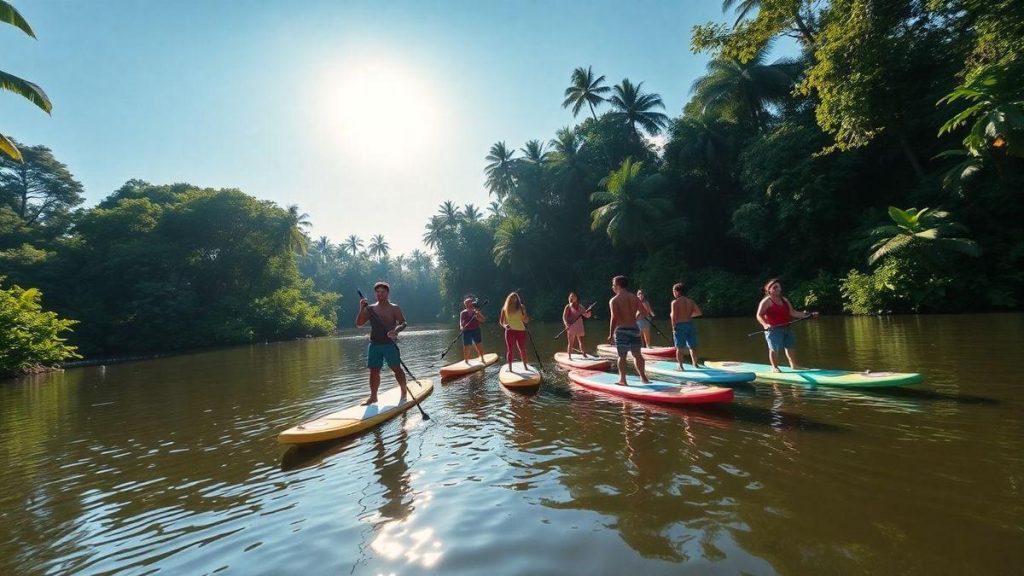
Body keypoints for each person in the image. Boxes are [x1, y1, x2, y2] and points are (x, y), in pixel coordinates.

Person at [356, 281, 409, 404]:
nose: (380, 294)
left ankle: (404, 392)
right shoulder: (370, 308)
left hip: (389, 344)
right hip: (374, 344)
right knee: (374, 371)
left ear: (387, 293)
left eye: (382, 292)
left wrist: (396, 330)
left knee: (396, 369)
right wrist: (361, 308)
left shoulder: (394, 308)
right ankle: (373, 396)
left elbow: (403, 323)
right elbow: (359, 324)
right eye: (377, 292)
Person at [755, 278, 818, 372]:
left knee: (790, 346)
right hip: (773, 329)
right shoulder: (766, 301)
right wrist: (765, 325)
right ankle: (774, 367)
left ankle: (794, 366)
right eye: (774, 287)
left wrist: (809, 315)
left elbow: (793, 313)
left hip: (787, 327)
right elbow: (758, 315)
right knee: (774, 349)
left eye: (778, 287)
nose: (777, 289)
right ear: (769, 290)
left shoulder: (784, 300)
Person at [607, 275, 651, 385]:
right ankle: (644, 378)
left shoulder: (614, 300)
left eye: (613, 285)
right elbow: (644, 312)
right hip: (635, 328)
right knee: (637, 354)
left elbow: (614, 318)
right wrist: (635, 317)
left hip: (621, 330)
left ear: (617, 285)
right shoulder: (634, 297)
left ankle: (623, 380)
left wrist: (610, 334)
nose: (612, 287)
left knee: (622, 356)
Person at [670, 282, 703, 370]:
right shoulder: (690, 301)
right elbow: (699, 313)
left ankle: (680, 366)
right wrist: (688, 315)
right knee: (693, 347)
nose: (673, 293)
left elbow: (673, 316)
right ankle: (695, 364)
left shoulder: (675, 302)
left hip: (680, 326)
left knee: (680, 348)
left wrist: (673, 328)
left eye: (673, 291)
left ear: (677, 291)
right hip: (690, 325)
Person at [499, 292, 529, 371]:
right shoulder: (505, 308)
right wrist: (505, 326)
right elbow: (501, 322)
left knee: (522, 349)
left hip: (521, 331)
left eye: (515, 298)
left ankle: (525, 366)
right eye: (512, 298)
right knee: (510, 350)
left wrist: (525, 313)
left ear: (517, 299)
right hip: (510, 331)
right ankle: (510, 368)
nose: (513, 299)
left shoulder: (521, 307)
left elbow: (526, 321)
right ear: (509, 299)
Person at [562, 291, 592, 359]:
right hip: (571, 326)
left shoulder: (580, 306)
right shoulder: (568, 307)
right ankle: (569, 357)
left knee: (581, 341)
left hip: (579, 326)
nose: (571, 297)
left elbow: (587, 316)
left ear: (576, 298)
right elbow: (564, 317)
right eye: (570, 296)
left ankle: (584, 355)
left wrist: (589, 311)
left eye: (573, 296)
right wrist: (566, 324)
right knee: (570, 342)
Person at [459, 296, 486, 363]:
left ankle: (482, 358)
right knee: (466, 346)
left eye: (471, 302)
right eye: (468, 302)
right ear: (466, 304)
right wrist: (462, 327)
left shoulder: (476, 311)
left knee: (478, 344)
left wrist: (477, 317)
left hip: (475, 330)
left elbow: (483, 320)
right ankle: (466, 361)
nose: (470, 303)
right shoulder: (463, 313)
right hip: (466, 331)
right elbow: (461, 322)